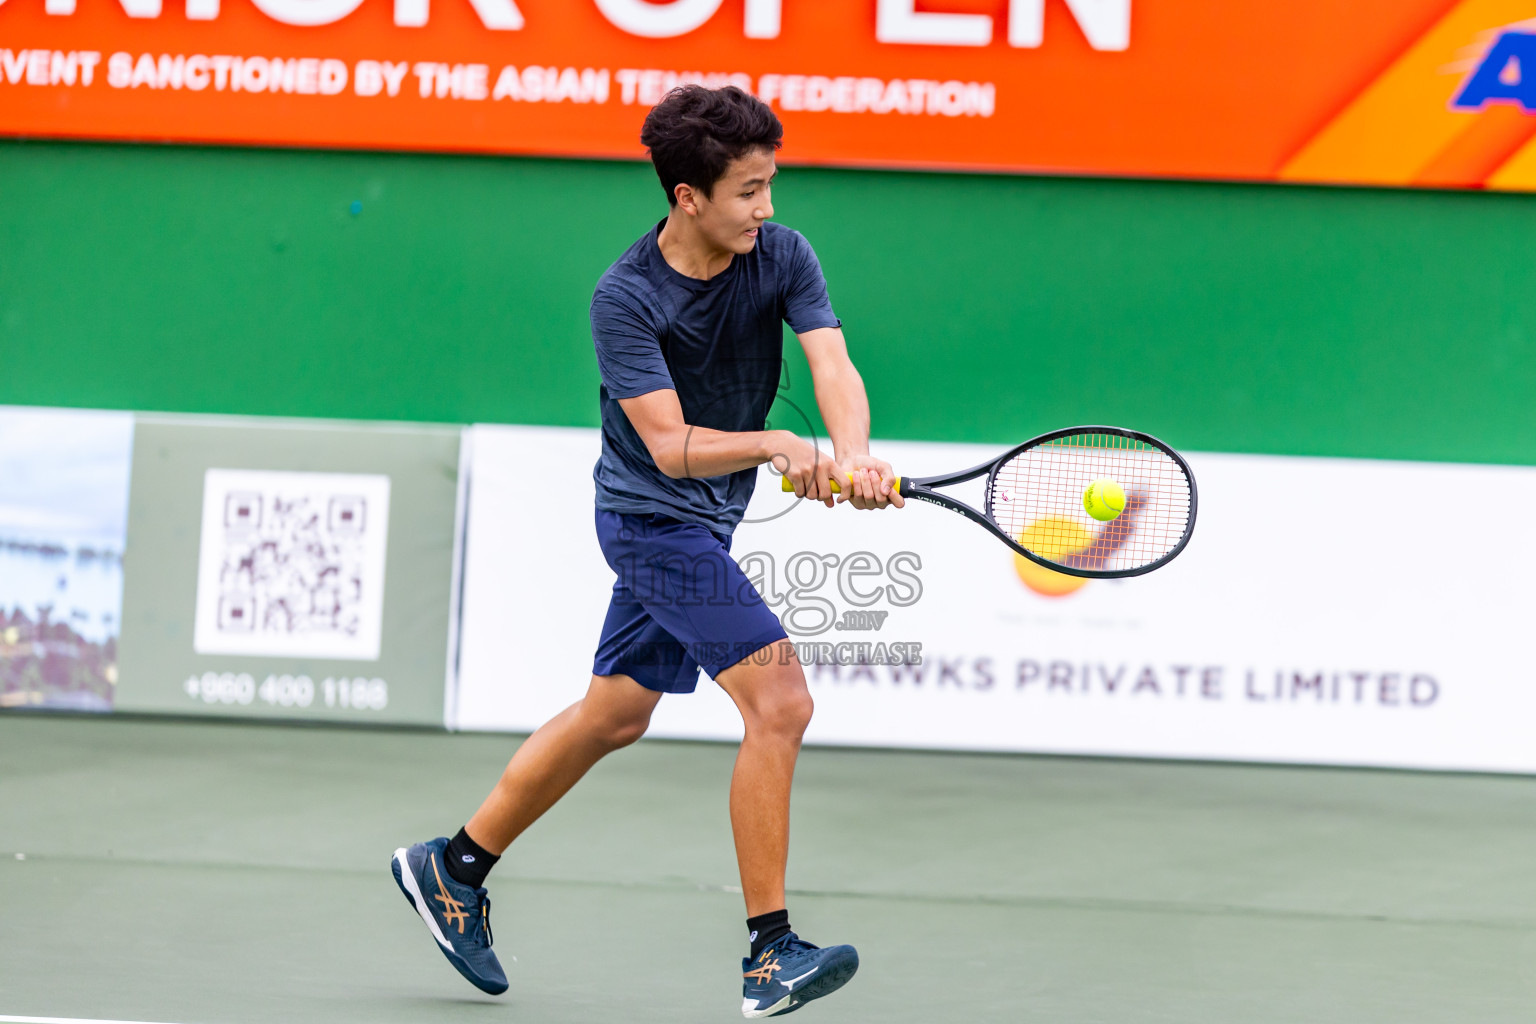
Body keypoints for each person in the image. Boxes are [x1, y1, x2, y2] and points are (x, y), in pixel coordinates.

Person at [391, 83, 902, 1018]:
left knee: (615, 715)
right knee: (781, 701)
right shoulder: (626, 297)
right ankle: (769, 953)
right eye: (747, 191)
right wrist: (781, 447)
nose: (767, 207)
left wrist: (853, 455)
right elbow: (669, 446)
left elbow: (831, 359)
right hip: (650, 522)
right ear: (687, 196)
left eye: (770, 184)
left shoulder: (781, 254)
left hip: (709, 519)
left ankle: (453, 865)